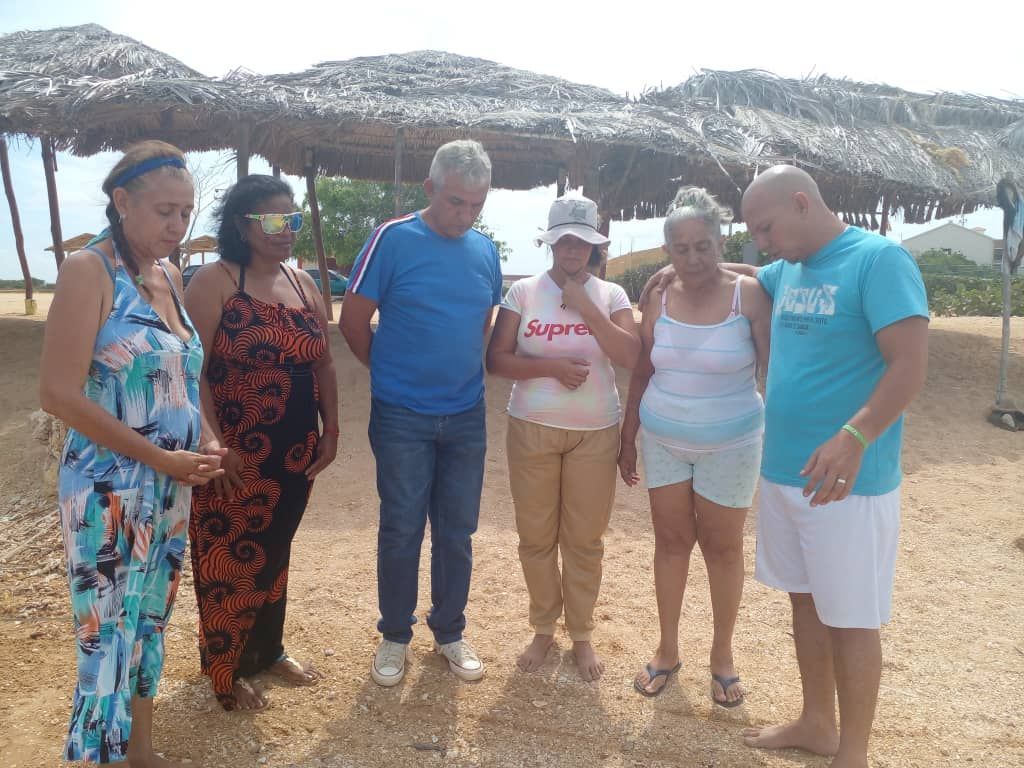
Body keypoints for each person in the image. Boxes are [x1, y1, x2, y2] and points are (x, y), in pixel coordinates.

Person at [725, 166, 927, 768]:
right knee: (805, 602)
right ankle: (817, 722)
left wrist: (854, 436)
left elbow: (910, 366)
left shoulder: (878, 261)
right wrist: (680, 269)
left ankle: (854, 753)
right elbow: (751, 274)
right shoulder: (786, 268)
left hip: (848, 483)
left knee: (853, 617)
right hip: (785, 473)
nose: (760, 240)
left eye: (765, 227)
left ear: (800, 202)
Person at [40, 140, 223, 765]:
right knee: (103, 638)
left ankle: (140, 751)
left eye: (186, 212)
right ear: (122, 202)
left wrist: (203, 437)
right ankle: (97, 758)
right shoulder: (90, 272)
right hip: (107, 491)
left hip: (169, 489)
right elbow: (59, 393)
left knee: (146, 625)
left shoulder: (170, 275)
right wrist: (160, 457)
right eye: (165, 211)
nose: (177, 226)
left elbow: (179, 374)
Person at [339, 140, 503, 687]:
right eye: (456, 202)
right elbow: (354, 321)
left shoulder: (484, 250)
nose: (465, 215)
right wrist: (390, 374)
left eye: (476, 205)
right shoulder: (393, 238)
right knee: (402, 527)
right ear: (430, 189)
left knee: (457, 530)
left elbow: (482, 321)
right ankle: (394, 635)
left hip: (466, 413)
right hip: (403, 414)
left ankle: (450, 631)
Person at [185, 175, 339, 711]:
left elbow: (321, 361)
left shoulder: (303, 283)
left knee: (274, 550)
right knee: (228, 556)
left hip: (295, 449)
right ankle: (225, 669)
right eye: (274, 220)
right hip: (236, 451)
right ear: (242, 225)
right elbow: (192, 372)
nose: (286, 230)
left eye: (293, 220)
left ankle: (267, 650)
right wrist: (212, 443)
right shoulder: (216, 280)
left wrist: (332, 428)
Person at [618, 187, 770, 704]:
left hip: (732, 442)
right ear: (668, 251)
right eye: (680, 249)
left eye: (703, 245)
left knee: (723, 548)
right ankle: (667, 649)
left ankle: (722, 654)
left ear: (720, 240)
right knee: (670, 543)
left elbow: (772, 371)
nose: (692, 258)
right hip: (664, 439)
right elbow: (644, 364)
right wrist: (628, 436)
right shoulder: (656, 294)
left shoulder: (747, 295)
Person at [486, 196, 639, 681]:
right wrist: (550, 367)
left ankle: (582, 633)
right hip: (532, 426)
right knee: (535, 536)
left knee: (584, 540)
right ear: (551, 241)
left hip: (594, 431)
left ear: (595, 244)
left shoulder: (612, 295)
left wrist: (586, 306)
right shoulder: (525, 293)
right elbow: (497, 360)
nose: (573, 249)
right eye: (564, 240)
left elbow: (632, 356)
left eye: (582, 241)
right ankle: (542, 627)